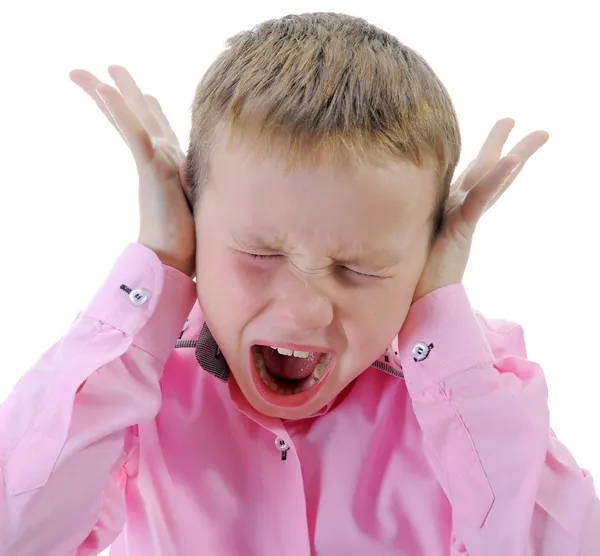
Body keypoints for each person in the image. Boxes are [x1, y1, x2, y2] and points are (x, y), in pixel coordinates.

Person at [1, 12, 598, 556]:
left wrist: (440, 315)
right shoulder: (131, 377)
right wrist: (155, 263)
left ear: (423, 257)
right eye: (259, 253)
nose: (306, 310)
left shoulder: (467, 391)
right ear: (193, 218)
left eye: (360, 269)